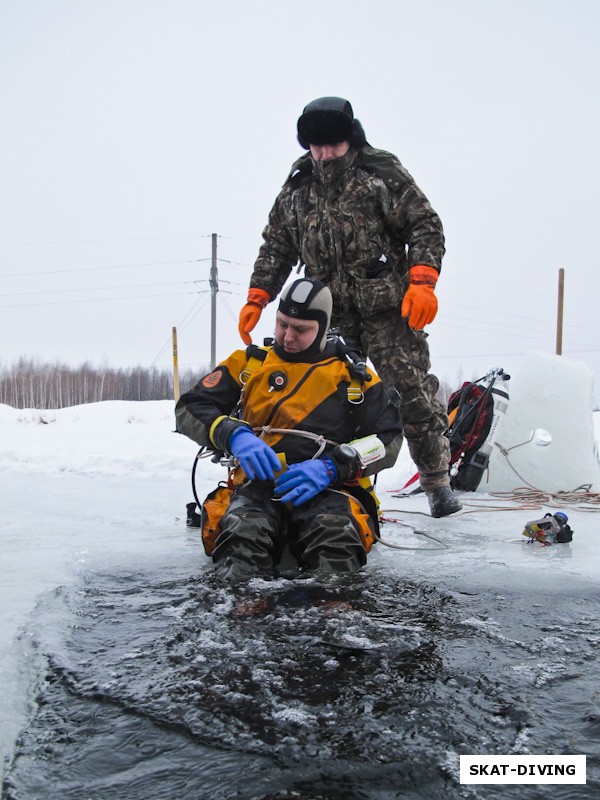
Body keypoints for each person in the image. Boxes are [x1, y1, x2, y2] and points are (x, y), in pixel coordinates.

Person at [237, 96, 461, 518]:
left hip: (387, 309)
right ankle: (328, 480)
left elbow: (425, 225)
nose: (323, 154)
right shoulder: (298, 188)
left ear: (349, 139)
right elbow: (278, 245)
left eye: (332, 145)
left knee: (410, 394)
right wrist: (258, 295)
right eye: (315, 146)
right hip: (327, 315)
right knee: (325, 401)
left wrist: (423, 280)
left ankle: (436, 481)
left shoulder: (380, 174)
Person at [176, 277, 404, 582]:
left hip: (331, 491)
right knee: (242, 538)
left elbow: (389, 439)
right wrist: (233, 434)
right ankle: (241, 617)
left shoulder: (353, 377)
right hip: (255, 489)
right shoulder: (249, 364)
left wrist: (332, 467)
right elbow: (188, 408)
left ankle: (334, 618)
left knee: (335, 541)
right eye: (282, 323)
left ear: (322, 328)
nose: (287, 336)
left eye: (301, 329)